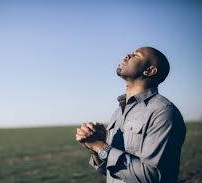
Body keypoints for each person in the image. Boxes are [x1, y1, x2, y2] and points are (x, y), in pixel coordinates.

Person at [75, 47, 186, 183]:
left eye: (136, 55)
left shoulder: (163, 112)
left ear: (150, 71)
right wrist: (94, 147)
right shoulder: (118, 112)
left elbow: (152, 177)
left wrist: (99, 146)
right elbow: (112, 171)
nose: (127, 55)